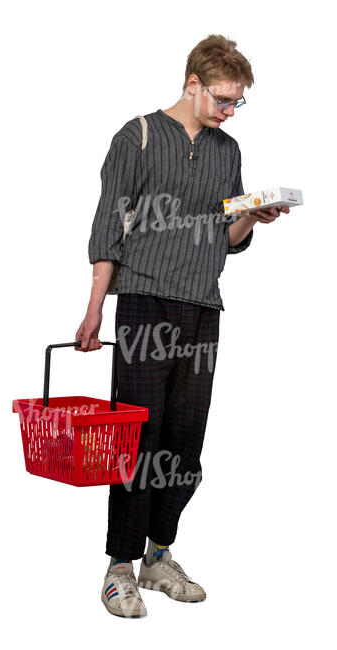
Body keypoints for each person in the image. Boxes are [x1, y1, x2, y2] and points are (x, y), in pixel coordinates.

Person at [75, 33, 290, 618]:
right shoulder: (137, 136)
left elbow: (226, 241)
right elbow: (107, 226)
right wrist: (96, 306)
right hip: (144, 300)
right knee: (136, 439)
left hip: (202, 306)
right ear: (192, 83)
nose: (229, 110)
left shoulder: (227, 150)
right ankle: (119, 566)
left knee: (185, 442)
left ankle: (159, 555)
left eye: (237, 102)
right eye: (223, 98)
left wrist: (249, 217)